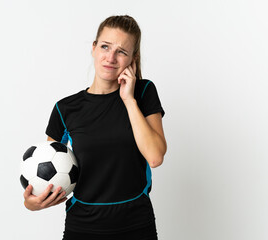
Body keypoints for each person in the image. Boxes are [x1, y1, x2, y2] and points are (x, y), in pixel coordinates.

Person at [23, 15, 167, 240]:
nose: (110, 57)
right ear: (93, 48)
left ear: (133, 59)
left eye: (121, 51)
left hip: (136, 225)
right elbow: (50, 175)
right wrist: (32, 204)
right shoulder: (65, 109)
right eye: (105, 46)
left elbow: (155, 157)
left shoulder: (143, 92)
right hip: (83, 228)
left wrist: (129, 100)